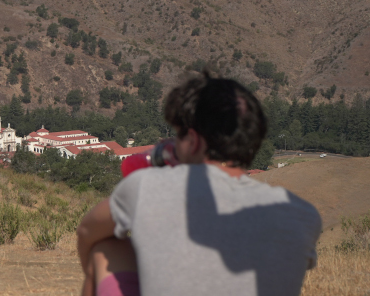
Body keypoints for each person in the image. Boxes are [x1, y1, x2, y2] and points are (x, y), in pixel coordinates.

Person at [77, 74, 322, 296]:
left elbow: (88, 232)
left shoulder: (148, 186)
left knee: (105, 248)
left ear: (192, 141)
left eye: (178, 134)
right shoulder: (304, 216)